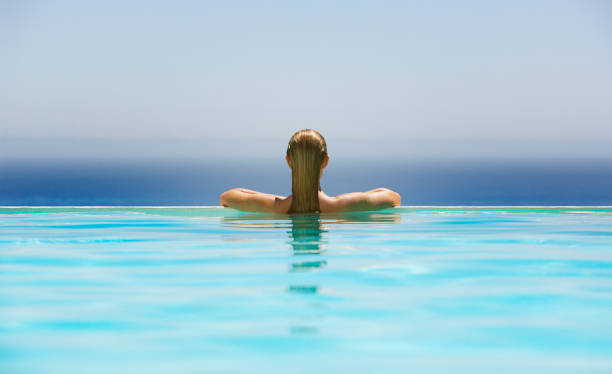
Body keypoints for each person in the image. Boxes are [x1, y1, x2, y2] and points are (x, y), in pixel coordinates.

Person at [219, 129, 401, 213]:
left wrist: (264, 196)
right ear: (325, 161)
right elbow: (393, 198)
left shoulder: (273, 207)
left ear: (289, 162)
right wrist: (357, 197)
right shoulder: (344, 206)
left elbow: (227, 197)